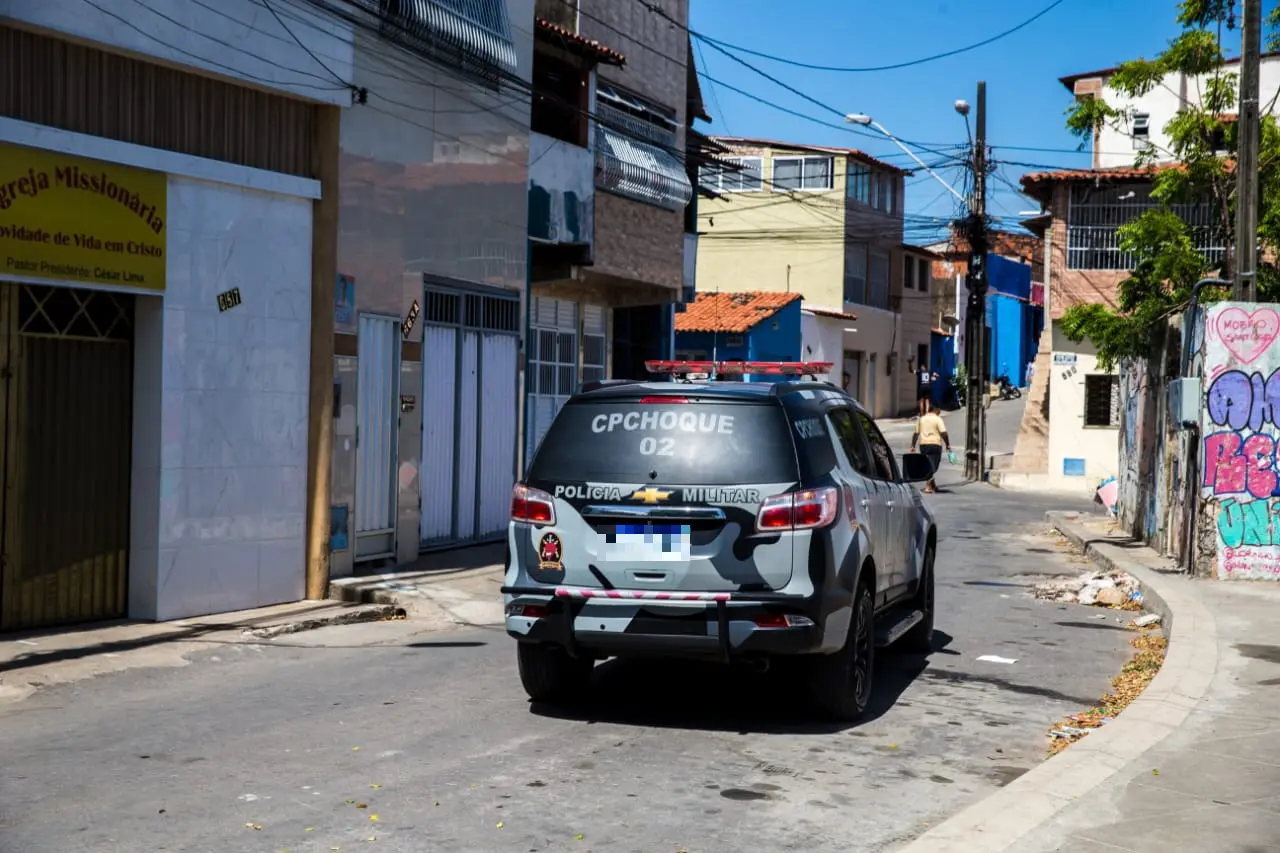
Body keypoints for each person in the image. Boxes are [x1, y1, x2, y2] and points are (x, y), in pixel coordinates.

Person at [910, 404, 951, 494]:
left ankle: (933, 485)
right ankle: (928, 485)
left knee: (928, 464)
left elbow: (916, 433)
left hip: (923, 445)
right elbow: (944, 433)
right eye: (939, 409)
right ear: (935, 410)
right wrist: (947, 444)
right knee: (934, 466)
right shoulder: (937, 419)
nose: (940, 411)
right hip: (935, 444)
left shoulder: (922, 419)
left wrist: (913, 445)